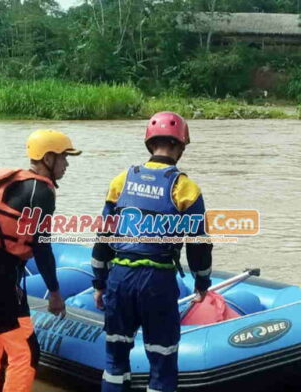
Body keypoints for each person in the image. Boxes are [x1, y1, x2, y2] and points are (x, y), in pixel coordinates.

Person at [91, 112, 213, 392]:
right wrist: (202, 282)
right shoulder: (186, 188)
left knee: (114, 359)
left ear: (150, 143)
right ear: (180, 146)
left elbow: (103, 236)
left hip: (120, 278)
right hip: (157, 282)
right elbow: (199, 243)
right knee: (162, 360)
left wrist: (99, 282)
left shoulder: (121, 180)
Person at [0, 129, 80, 392]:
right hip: (1, 278)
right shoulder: (40, 192)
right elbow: (41, 247)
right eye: (63, 158)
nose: (66, 164)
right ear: (47, 158)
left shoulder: (15, 183)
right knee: (26, 353)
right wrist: (55, 292)